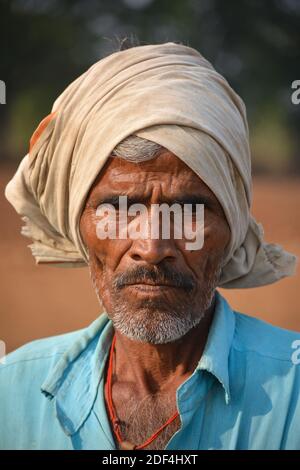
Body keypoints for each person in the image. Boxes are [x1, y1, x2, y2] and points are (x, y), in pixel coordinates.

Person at [0, 41, 299, 450]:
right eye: (119, 209)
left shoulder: (293, 392)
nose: (153, 246)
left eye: (191, 208)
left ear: (231, 225)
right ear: (80, 223)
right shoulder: (12, 389)